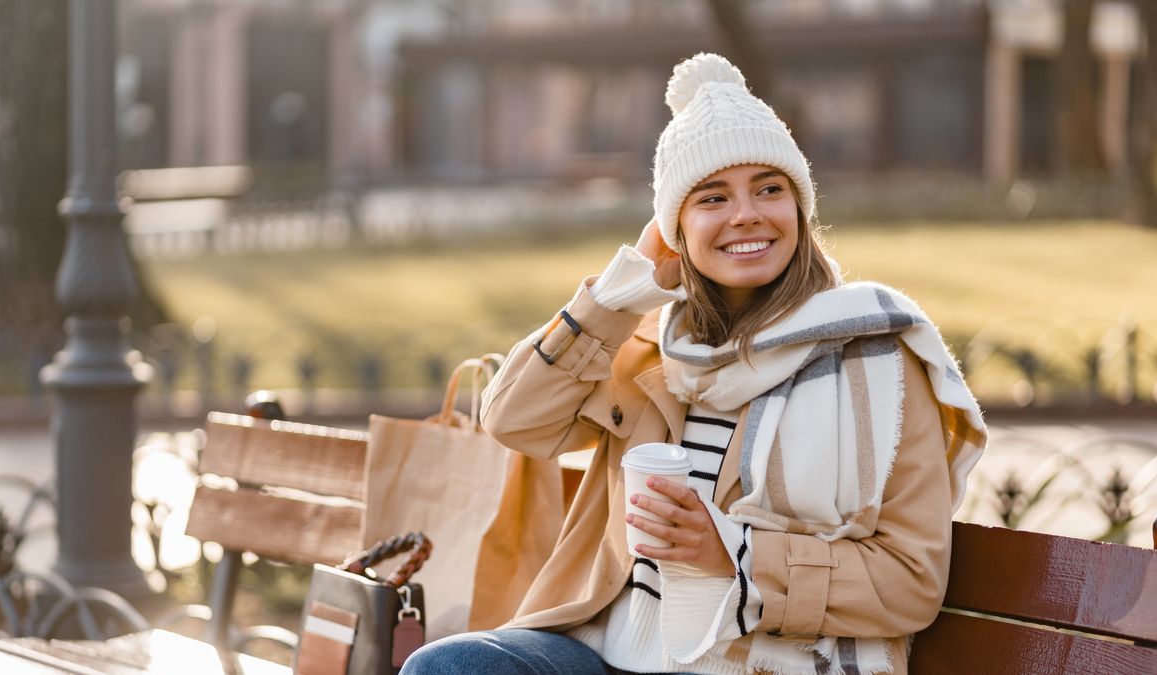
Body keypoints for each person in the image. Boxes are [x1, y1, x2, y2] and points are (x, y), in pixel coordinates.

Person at [401, 52, 986, 675]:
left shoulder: (878, 356)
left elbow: (912, 581)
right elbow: (514, 418)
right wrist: (619, 294)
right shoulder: (651, 345)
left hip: (766, 661)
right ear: (673, 228)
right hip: (611, 653)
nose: (747, 214)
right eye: (712, 197)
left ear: (800, 209)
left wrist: (734, 556)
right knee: (450, 668)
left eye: (770, 189)